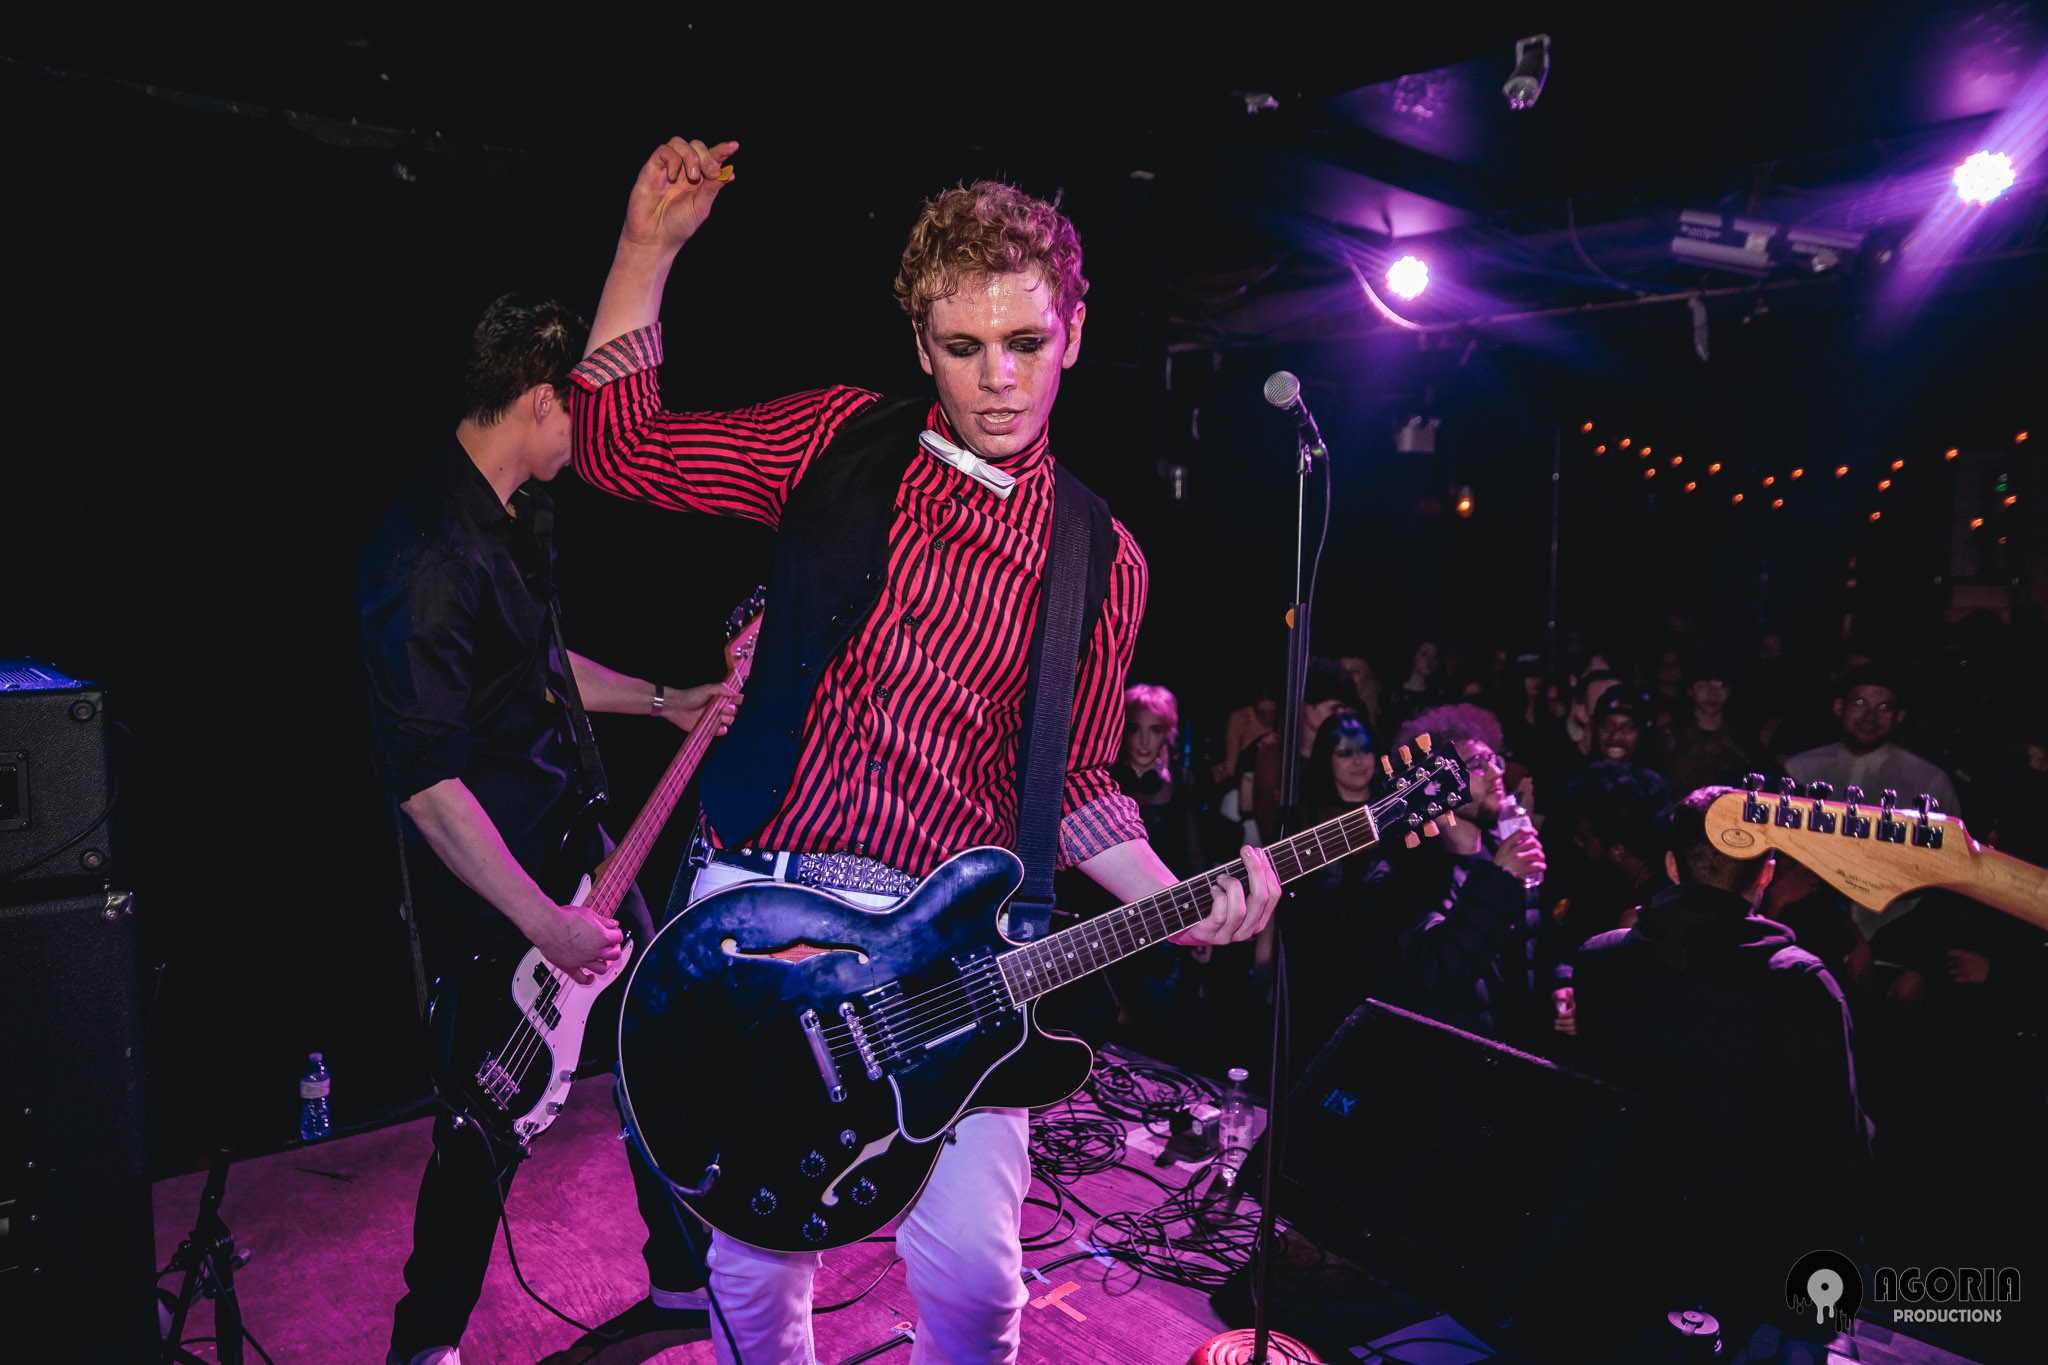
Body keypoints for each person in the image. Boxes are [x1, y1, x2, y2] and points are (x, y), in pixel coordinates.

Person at [569, 136, 1279, 1365]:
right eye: (963, 348)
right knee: (755, 1245)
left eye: (1024, 343)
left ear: (1071, 328)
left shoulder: (1102, 561)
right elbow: (619, 449)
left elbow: (1075, 785)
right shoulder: (836, 444)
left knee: (972, 1278)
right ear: (918, 345)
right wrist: (646, 252)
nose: (998, 380)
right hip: (765, 910)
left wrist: (1179, 897)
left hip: (953, 948)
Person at [358, 294, 739, 1365]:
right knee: (483, 1136)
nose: (599, 434)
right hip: (504, 905)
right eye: (586, 413)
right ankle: (422, 1347)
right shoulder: (429, 557)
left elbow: (533, 671)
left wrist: (663, 697)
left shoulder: (506, 515)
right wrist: (542, 921)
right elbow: (426, 786)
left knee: (660, 1060)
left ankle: (678, 1288)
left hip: (584, 862)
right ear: (538, 400)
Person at [1573, 786, 1871, 1348]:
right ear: (1766, 874)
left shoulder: (1599, 959)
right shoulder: (1799, 983)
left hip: (1625, 1242)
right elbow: (1839, 1149)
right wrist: (1826, 1312)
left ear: (1671, 866)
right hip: (1752, 1264)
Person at [1354, 703, 1549, 1045]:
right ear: (1431, 782)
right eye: (1476, 764)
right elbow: (1437, 974)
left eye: (1494, 760)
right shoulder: (1399, 876)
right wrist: (1499, 880)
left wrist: (1560, 981)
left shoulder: (1501, 849)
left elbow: (1536, 947)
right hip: (1445, 1067)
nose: (1496, 773)